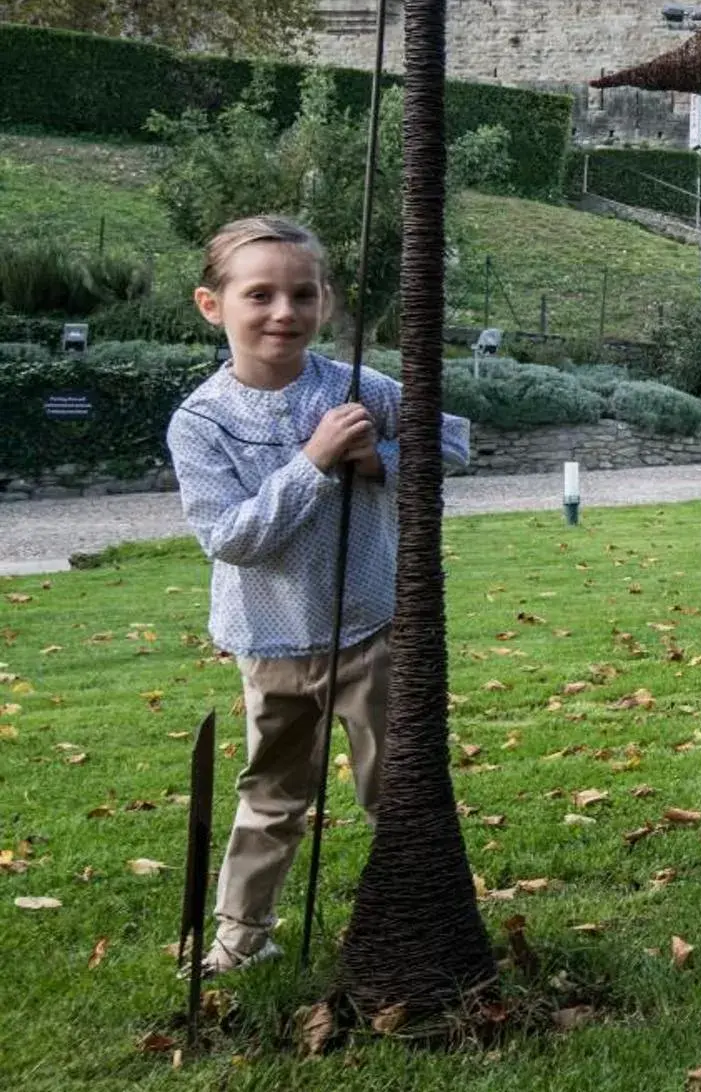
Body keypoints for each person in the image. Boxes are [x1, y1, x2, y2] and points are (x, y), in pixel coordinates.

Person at [167, 215, 472, 976]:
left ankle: (415, 921)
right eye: (260, 294)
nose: (283, 312)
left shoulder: (360, 387)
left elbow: (458, 445)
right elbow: (232, 537)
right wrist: (314, 460)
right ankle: (241, 940)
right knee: (271, 796)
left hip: (370, 633)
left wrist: (381, 459)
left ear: (326, 303)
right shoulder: (202, 422)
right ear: (213, 306)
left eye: (302, 294)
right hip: (269, 645)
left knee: (392, 791)